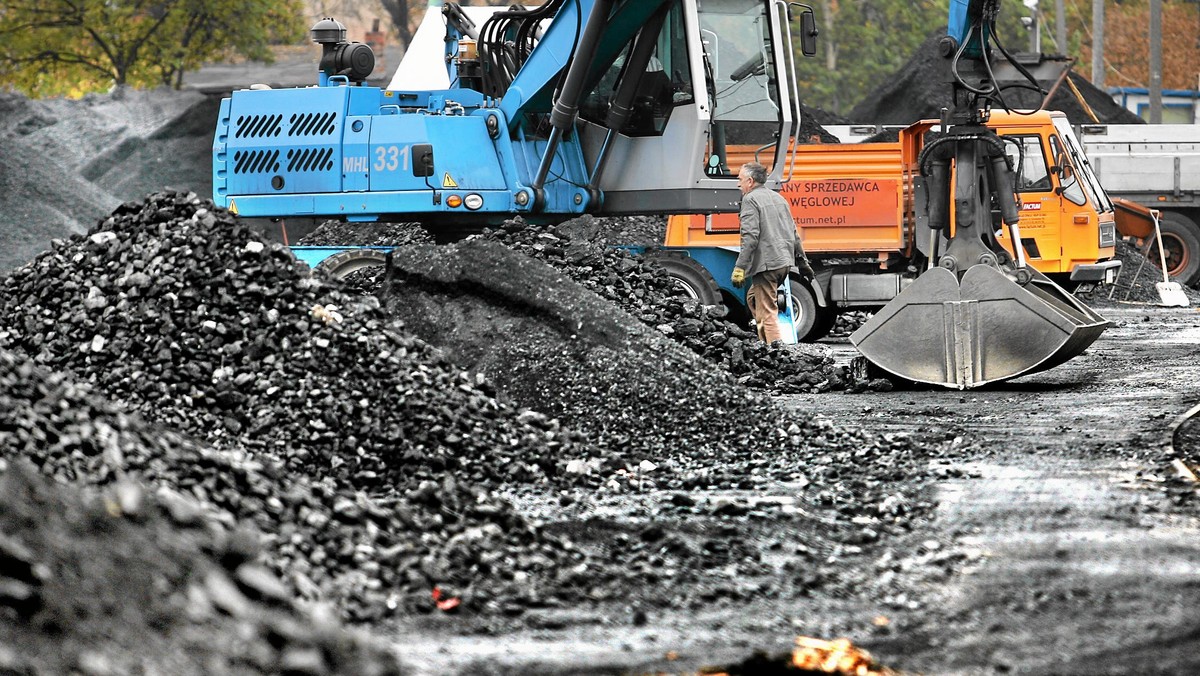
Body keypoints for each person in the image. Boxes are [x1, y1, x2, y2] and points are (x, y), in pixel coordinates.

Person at [730, 161, 813, 344]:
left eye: (740, 179)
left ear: (750, 181)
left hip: (766, 264)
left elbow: (750, 237)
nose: (738, 184)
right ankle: (763, 341)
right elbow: (793, 234)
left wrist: (739, 268)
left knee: (767, 310)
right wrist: (803, 263)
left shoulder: (750, 200)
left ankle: (776, 353)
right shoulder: (779, 199)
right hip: (783, 263)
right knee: (754, 298)